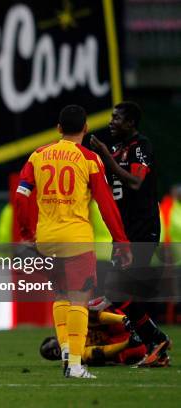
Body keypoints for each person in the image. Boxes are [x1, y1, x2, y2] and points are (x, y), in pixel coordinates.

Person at [15, 105, 131, 379]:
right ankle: (76, 365)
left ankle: (67, 351)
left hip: (46, 238)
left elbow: (21, 195)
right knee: (79, 299)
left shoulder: (37, 156)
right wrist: (122, 241)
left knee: (61, 296)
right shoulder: (89, 159)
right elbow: (106, 204)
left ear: (58, 129)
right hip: (76, 238)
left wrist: (26, 232)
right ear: (86, 128)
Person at [90, 101, 170, 367]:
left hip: (142, 228)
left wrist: (105, 156)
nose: (111, 122)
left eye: (117, 118)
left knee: (120, 290)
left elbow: (136, 182)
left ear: (131, 123)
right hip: (123, 232)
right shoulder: (116, 149)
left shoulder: (140, 146)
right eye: (111, 117)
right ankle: (155, 345)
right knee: (118, 292)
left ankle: (153, 340)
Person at [39, 306, 150, 366]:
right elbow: (99, 352)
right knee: (99, 355)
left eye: (57, 346)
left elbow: (94, 316)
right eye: (57, 353)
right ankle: (150, 344)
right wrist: (127, 343)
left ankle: (134, 322)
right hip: (117, 343)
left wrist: (122, 319)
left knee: (87, 313)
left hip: (113, 325)